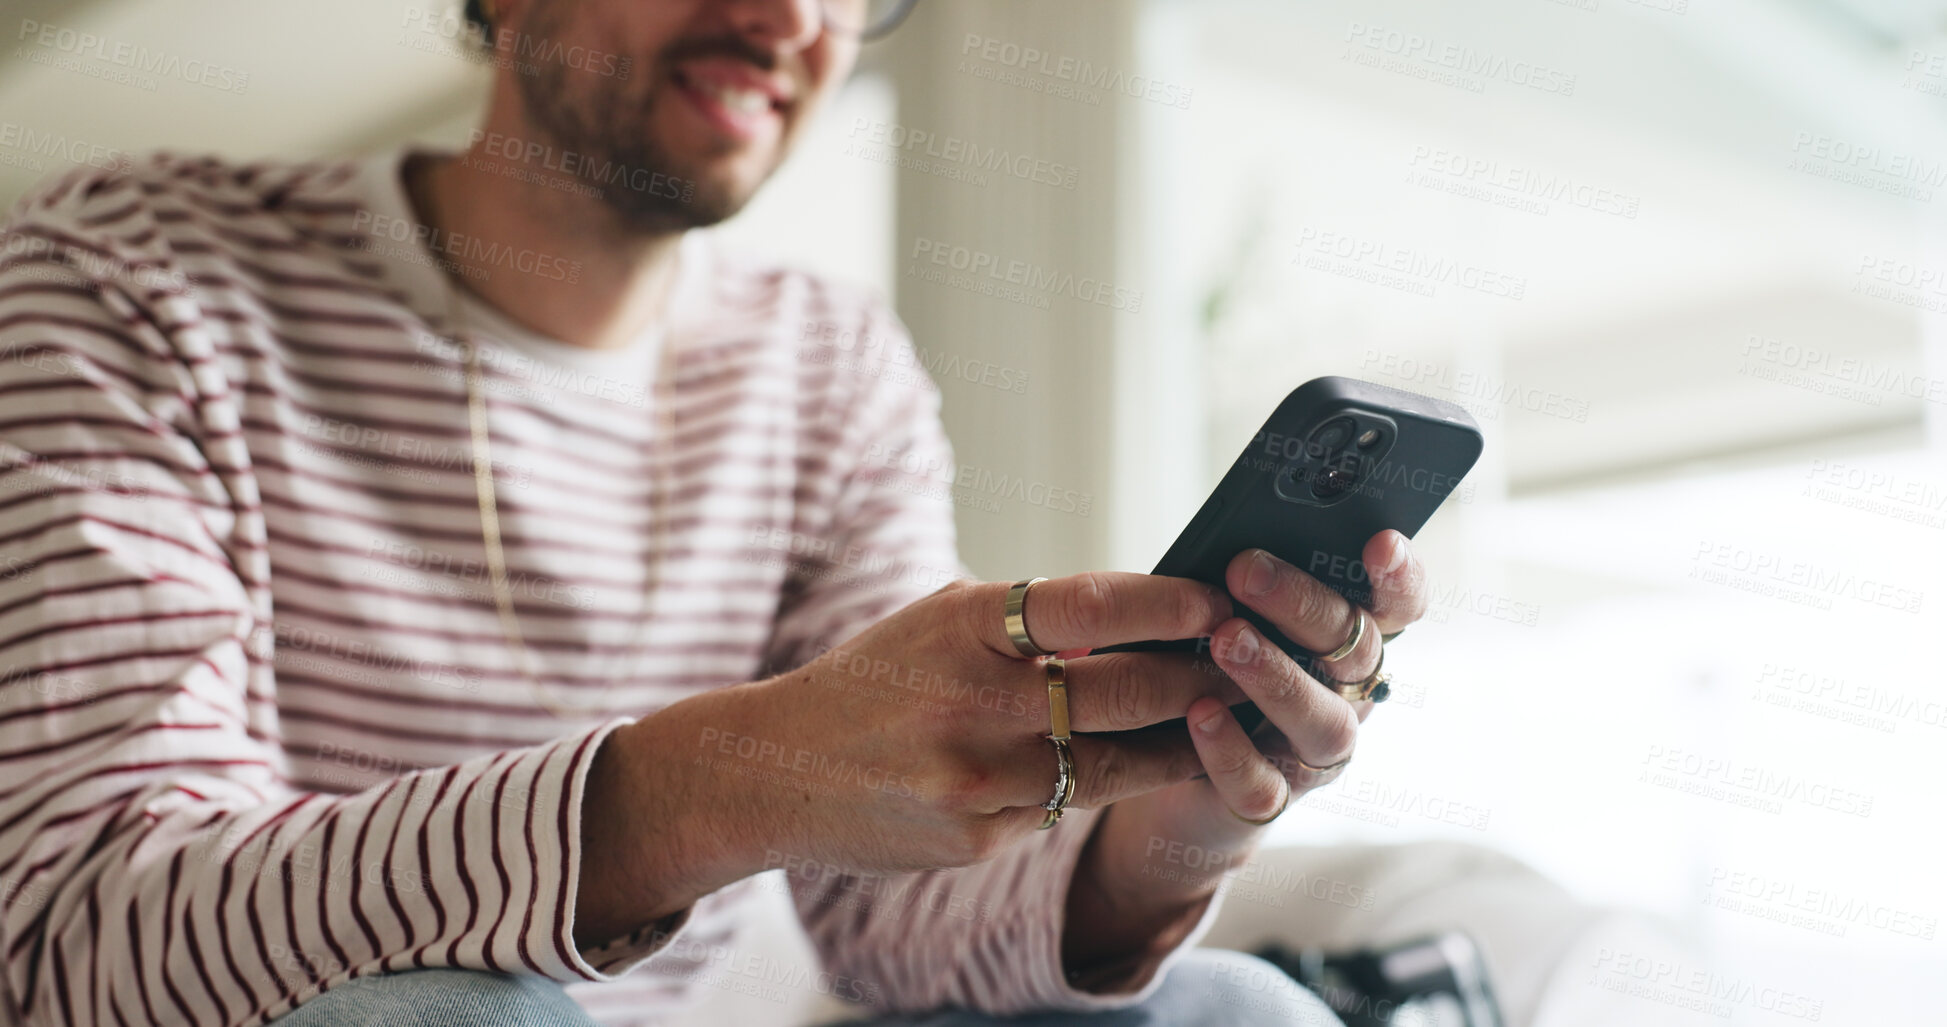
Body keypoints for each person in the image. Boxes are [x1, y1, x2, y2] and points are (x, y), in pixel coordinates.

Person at [0, 1, 1428, 1024]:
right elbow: (89, 939)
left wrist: (1168, 820)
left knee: (1232, 1008)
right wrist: (724, 775)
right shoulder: (129, 282)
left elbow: (889, 924)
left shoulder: (829, 371)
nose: (787, 17)